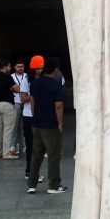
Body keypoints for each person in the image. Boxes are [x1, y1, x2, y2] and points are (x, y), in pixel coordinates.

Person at [27, 57, 67, 194]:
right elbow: (58, 105)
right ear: (56, 69)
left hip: (36, 124)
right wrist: (60, 123)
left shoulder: (35, 84)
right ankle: (54, 185)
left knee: (36, 155)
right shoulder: (56, 85)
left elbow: (32, 103)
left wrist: (35, 116)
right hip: (50, 126)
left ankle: (31, 184)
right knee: (53, 155)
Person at [0, 60, 20, 159]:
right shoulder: (7, 77)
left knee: (0, 129)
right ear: (5, 67)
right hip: (7, 105)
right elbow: (17, 89)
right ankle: (6, 153)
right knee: (8, 130)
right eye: (9, 66)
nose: (10, 68)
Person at [11, 59, 30, 157]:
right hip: (16, 103)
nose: (20, 68)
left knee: (25, 127)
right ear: (15, 67)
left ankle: (26, 146)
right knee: (14, 126)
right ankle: (12, 146)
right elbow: (10, 88)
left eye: (22, 66)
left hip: (25, 103)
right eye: (18, 67)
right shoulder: (11, 77)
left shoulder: (27, 76)